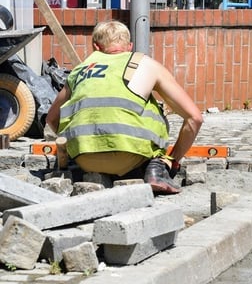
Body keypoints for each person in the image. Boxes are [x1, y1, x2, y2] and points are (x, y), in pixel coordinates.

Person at [46, 21, 203, 194]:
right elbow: (194, 118)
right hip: (131, 156)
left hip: (84, 159)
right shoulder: (146, 64)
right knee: (155, 109)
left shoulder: (79, 71)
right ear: (130, 46)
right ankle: (157, 167)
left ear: (95, 47)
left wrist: (73, 147)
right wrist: (173, 160)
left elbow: (52, 119)